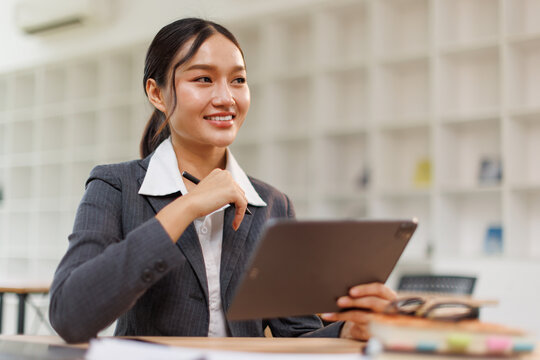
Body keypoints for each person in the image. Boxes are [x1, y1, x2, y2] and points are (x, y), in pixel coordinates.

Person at [49, 18, 396, 344]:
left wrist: (346, 331)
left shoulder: (272, 204)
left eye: (238, 80)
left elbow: (295, 338)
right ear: (156, 93)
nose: (226, 97)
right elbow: (70, 316)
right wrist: (187, 206)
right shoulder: (115, 187)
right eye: (203, 79)